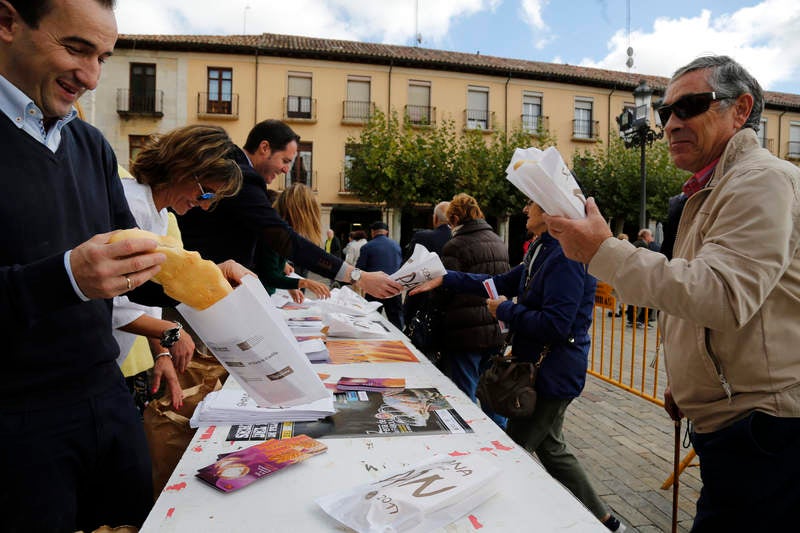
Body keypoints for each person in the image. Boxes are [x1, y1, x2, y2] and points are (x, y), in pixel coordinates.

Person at [0, 1, 251, 530]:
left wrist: (211, 290)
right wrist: (65, 277)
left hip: (103, 395)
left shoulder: (89, 144)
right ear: (7, 23)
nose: (90, 77)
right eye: (75, 49)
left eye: (102, 58)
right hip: (19, 418)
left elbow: (141, 269)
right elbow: (81, 278)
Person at [544, 55, 800, 531]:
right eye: (664, 113)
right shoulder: (712, 189)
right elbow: (695, 288)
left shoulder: (761, 180)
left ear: (740, 110)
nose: (671, 123)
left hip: (763, 427)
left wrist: (603, 251)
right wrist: (688, 380)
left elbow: (723, 294)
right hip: (735, 420)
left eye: (690, 107)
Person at [410, 199, 624, 532]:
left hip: (552, 373)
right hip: (542, 369)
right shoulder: (544, 247)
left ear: (552, 211)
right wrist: (446, 277)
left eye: (531, 204)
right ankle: (606, 520)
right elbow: (502, 283)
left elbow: (557, 325)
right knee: (552, 448)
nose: (525, 210)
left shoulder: (565, 256)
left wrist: (506, 311)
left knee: (513, 453)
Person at [178, 119, 401, 299]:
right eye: (285, 160)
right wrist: (357, 276)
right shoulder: (244, 176)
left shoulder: (240, 169)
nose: (286, 170)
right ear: (264, 148)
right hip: (195, 289)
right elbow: (284, 238)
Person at [114, 125, 243, 409]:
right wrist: (170, 331)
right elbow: (113, 300)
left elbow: (145, 293)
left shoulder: (158, 214)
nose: (206, 206)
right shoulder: (132, 205)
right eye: (206, 193)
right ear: (184, 167)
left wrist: (161, 352)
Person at [436, 194, 509, 427]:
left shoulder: (454, 245)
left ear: (456, 218)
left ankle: (473, 441)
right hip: (494, 328)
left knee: (465, 393)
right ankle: (503, 439)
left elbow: (445, 288)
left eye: (450, 222)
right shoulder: (498, 241)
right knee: (491, 392)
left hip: (464, 332)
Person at [255, 183, 330, 302]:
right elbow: (269, 276)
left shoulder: (279, 230)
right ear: (301, 213)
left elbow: (271, 267)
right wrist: (304, 283)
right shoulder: (274, 232)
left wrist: (289, 282)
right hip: (256, 296)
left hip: (262, 295)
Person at [402, 200, 452, 328]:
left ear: (435, 218)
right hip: (451, 307)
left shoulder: (423, 237)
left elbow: (407, 269)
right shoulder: (461, 239)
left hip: (422, 303)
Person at [357, 221, 403, 329]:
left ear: (373, 232)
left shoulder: (367, 246)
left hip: (374, 287)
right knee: (396, 320)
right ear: (386, 232)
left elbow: (359, 268)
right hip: (394, 287)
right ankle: (399, 341)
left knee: (371, 319)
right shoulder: (396, 246)